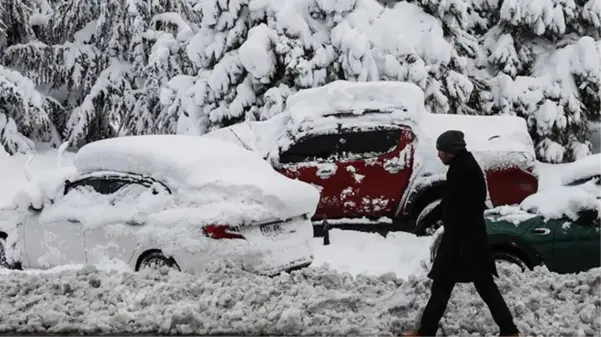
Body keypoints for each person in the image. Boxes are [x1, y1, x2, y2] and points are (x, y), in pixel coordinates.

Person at [400, 130, 520, 337]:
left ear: (452, 151)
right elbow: (450, 200)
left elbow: (462, 207)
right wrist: (429, 219)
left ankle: (509, 331)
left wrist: (456, 239)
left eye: (442, 151)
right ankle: (509, 331)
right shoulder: (461, 166)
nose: (439, 155)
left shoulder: (463, 170)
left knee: (466, 286)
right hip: (466, 240)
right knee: (454, 286)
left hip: (464, 242)